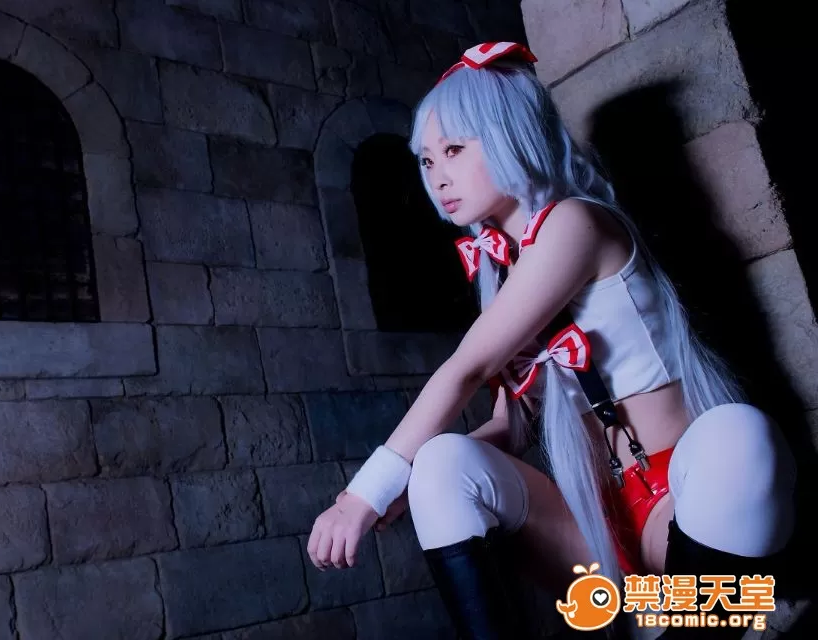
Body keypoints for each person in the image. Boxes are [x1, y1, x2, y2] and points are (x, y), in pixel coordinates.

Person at [306, 42, 798, 639]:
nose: (438, 176)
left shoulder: (575, 223)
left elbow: (465, 367)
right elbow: (511, 428)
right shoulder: (504, 273)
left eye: (454, 150)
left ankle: (709, 618)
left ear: (509, 136)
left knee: (738, 434)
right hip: (598, 529)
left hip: (689, 506)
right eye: (426, 160)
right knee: (439, 461)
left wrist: (362, 495)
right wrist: (409, 491)